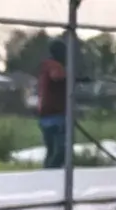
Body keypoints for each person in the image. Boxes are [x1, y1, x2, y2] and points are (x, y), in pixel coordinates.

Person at [37, 39, 69, 169]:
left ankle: (46, 176)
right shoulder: (54, 66)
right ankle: (50, 174)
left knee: (51, 151)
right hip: (55, 116)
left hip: (45, 115)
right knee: (61, 151)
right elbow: (57, 77)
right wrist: (76, 78)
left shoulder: (45, 66)